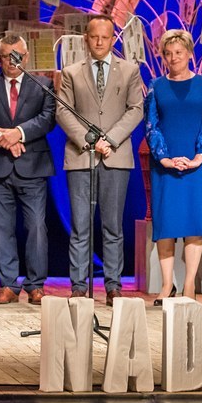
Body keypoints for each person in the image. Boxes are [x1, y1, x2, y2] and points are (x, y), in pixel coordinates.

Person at [56, 15, 144, 306]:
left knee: (113, 227)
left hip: (115, 157)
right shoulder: (71, 72)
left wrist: (110, 140)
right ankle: (78, 286)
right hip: (81, 156)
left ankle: (113, 285)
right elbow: (63, 111)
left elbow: (136, 109)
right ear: (86, 37)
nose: (99, 42)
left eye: (105, 37)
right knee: (80, 227)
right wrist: (91, 141)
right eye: (94, 36)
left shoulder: (130, 70)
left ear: (113, 39)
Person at [0, 34, 56, 305]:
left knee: (36, 227)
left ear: (26, 57)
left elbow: (48, 119)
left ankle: (35, 285)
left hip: (32, 167)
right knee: (1, 229)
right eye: (6, 56)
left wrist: (19, 133)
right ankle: (8, 285)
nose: (12, 62)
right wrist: (1, 137)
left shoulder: (43, 85)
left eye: (18, 57)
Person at [145, 30, 202, 305]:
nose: (173, 58)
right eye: (168, 53)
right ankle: (167, 286)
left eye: (178, 52)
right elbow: (151, 125)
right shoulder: (156, 86)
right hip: (165, 164)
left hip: (197, 165)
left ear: (189, 54)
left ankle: (188, 286)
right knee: (166, 224)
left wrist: (198, 157)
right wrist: (164, 158)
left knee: (193, 224)